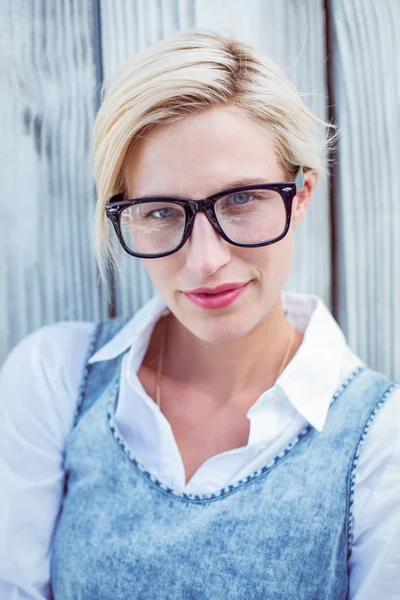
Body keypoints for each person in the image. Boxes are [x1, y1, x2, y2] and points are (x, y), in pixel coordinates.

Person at [0, 30, 399, 600]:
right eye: (160, 211)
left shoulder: (380, 441)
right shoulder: (55, 381)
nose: (206, 261)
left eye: (242, 199)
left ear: (303, 193)